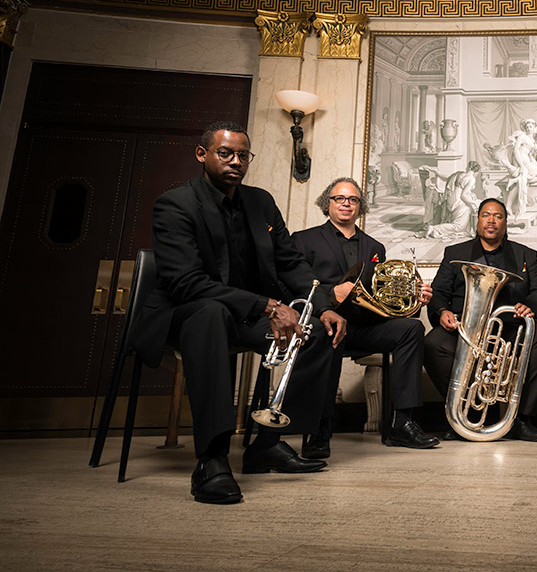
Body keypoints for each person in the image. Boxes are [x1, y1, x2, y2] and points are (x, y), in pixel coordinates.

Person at [133, 122, 347, 505]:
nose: (235, 161)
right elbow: (186, 283)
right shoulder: (176, 203)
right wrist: (267, 306)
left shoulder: (260, 201)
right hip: (186, 313)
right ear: (203, 155)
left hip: (244, 316)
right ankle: (212, 459)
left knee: (315, 334)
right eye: (225, 153)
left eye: (242, 155)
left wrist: (324, 306)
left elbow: (290, 262)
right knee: (211, 313)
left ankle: (268, 443)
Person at [292, 177, 440, 452]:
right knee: (331, 333)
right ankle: (319, 430)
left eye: (354, 200)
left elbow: (384, 298)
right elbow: (292, 285)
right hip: (324, 324)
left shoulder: (374, 248)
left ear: (361, 207)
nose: (347, 204)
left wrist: (415, 300)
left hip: (363, 326)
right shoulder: (304, 239)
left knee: (412, 329)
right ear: (328, 204)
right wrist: (331, 293)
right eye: (340, 198)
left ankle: (402, 423)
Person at [424, 198, 537, 441]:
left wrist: (529, 306)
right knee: (433, 344)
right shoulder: (455, 253)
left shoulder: (525, 255)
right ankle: (461, 415)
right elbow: (438, 293)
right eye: (486, 215)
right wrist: (441, 311)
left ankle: (521, 419)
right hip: (464, 330)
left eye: (498, 216)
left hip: (508, 329)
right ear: (477, 221)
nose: (491, 220)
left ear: (505, 223)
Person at [420, 161, 482, 238]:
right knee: (459, 227)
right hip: (459, 203)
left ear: (468, 167)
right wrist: (474, 203)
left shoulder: (460, 174)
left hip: (450, 201)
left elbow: (447, 177)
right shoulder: (471, 179)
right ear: (476, 171)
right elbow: (464, 195)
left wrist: (436, 172)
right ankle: (434, 228)